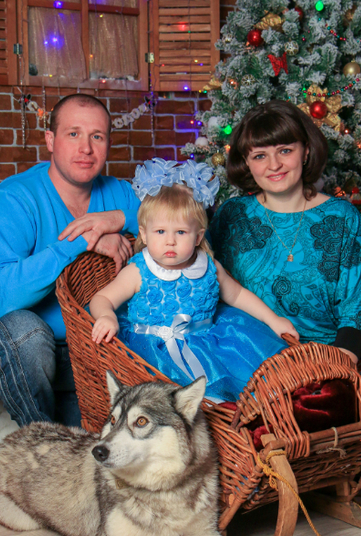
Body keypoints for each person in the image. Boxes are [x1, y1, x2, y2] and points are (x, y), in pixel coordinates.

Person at [209, 100, 361, 484]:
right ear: (246, 163)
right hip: (251, 361)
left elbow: (357, 309)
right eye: (260, 155)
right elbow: (194, 272)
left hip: (326, 360)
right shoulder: (231, 215)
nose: (274, 165)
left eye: (285, 150)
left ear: (306, 150)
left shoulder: (342, 217)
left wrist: (335, 371)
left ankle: (316, 468)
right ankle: (303, 467)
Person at [0, 94, 140, 427]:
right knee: (27, 331)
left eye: (97, 136)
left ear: (108, 144)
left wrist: (119, 218)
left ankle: (59, 421)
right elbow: (1, 300)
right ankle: (43, 445)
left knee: (94, 437)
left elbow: (181, 230)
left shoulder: (119, 194)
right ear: (51, 140)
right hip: (0, 349)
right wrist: (84, 240)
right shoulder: (15, 197)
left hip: (81, 355)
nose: (86, 148)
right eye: (73, 134)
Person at [89, 158, 299, 403]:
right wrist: (106, 316)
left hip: (208, 343)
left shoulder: (209, 267)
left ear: (198, 237)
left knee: (250, 374)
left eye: (181, 232)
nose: (170, 241)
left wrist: (273, 320)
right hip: (154, 349)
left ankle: (231, 406)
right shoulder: (139, 270)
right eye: (160, 232)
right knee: (167, 398)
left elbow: (238, 295)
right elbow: (102, 298)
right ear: (144, 234)